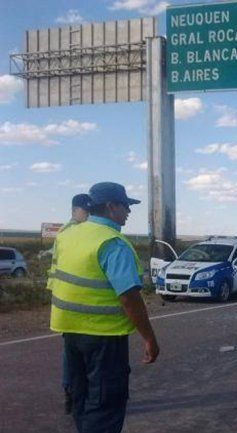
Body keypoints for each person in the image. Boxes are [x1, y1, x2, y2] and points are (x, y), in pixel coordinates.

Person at [48, 182, 160, 433]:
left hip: (70, 330)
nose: (129, 212)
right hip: (103, 336)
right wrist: (149, 338)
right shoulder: (112, 243)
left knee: (82, 396)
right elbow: (129, 297)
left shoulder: (68, 235)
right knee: (105, 405)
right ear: (111, 207)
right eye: (126, 206)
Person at [50, 193, 93, 415]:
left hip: (69, 298)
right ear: (75, 210)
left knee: (74, 351)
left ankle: (75, 392)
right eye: (85, 211)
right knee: (73, 353)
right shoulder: (69, 232)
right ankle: (72, 392)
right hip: (69, 300)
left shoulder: (70, 231)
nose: (88, 215)